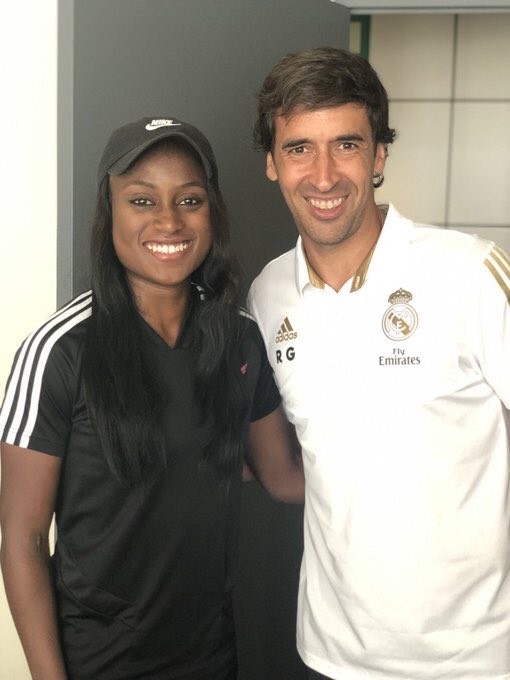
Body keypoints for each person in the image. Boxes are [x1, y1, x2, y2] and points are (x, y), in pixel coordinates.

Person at [0, 116, 303, 680]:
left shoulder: (239, 338)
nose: (169, 220)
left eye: (189, 200)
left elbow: (283, 476)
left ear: (211, 211)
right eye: (142, 200)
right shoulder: (60, 351)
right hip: (97, 662)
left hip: (211, 656)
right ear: (110, 211)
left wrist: (424, 461)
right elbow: (22, 538)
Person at [248, 46, 510, 679]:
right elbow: (301, 467)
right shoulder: (266, 295)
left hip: (475, 659)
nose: (323, 176)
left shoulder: (470, 273)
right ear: (272, 163)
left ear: (379, 155)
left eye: (346, 144)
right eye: (299, 148)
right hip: (332, 654)